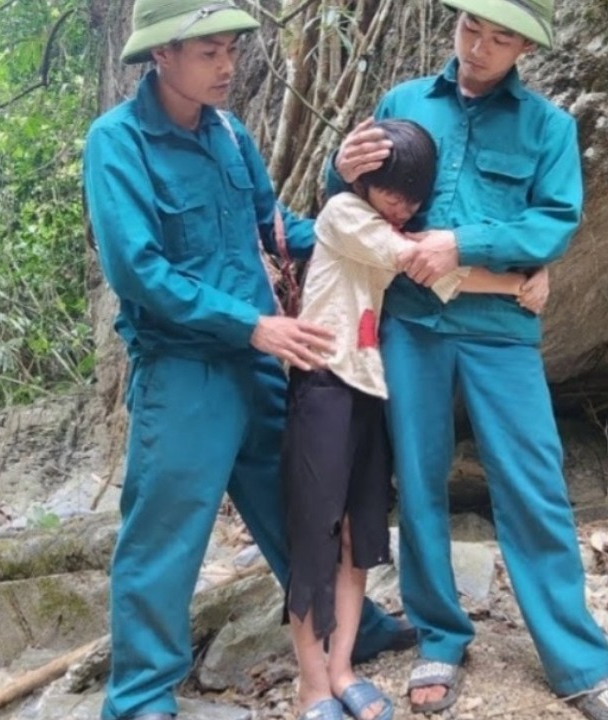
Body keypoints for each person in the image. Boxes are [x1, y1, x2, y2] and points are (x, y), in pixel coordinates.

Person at [82, 3, 413, 718]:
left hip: (262, 358)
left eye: (231, 49)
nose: (228, 65)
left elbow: (276, 228)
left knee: (304, 505)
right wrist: (250, 325)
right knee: (166, 532)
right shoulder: (118, 143)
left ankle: (347, 631)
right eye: (209, 52)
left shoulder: (231, 133)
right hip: (184, 370)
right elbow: (137, 269)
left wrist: (363, 238)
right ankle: (140, 696)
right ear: (161, 56)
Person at [328, 2, 608, 719]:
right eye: (472, 27)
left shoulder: (548, 127)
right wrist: (336, 167)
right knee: (419, 478)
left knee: (532, 483)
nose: (480, 46)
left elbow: (552, 222)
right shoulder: (404, 103)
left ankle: (580, 663)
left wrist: (463, 245)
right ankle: (440, 636)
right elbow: (352, 203)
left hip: (501, 328)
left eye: (500, 37)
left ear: (523, 49)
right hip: (411, 325)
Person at [283, 119, 546, 720]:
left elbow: (441, 271)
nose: (402, 204)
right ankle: (312, 686)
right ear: (366, 181)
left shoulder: (388, 222)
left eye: (413, 195)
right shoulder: (343, 215)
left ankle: (344, 668)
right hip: (323, 384)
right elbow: (419, 263)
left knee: (356, 537)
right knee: (314, 537)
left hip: (369, 390)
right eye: (391, 190)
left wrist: (527, 278)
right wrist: (516, 282)